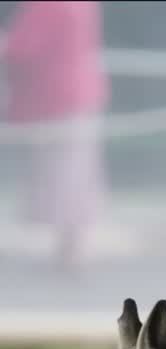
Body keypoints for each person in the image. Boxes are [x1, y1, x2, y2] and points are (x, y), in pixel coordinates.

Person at [0, 0, 109, 269]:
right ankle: (72, 250)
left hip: (57, 101)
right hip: (71, 98)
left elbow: (22, 48)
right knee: (75, 175)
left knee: (68, 177)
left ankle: (73, 252)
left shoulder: (52, 5)